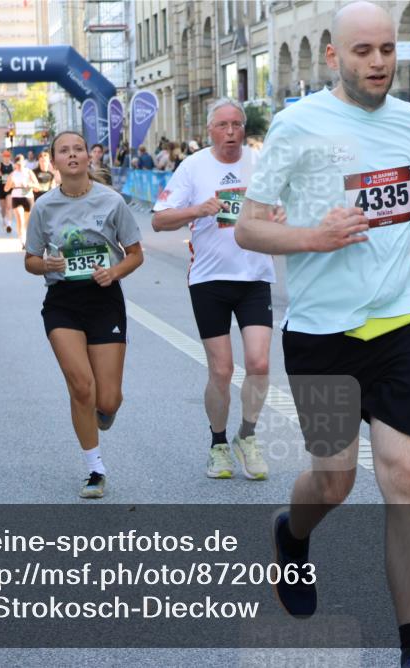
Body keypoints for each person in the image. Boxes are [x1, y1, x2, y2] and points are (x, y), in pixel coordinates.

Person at [235, 3, 410, 666]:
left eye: (388, 49)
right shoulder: (296, 124)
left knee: (407, 474)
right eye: (363, 51)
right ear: (333, 57)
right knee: (334, 481)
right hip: (321, 333)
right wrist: (313, 236)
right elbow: (248, 227)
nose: (379, 62)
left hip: (404, 323)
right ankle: (293, 534)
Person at [152, 98, 275, 481]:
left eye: (237, 124)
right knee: (221, 370)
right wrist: (198, 210)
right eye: (223, 125)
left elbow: (280, 207)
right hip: (209, 280)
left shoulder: (260, 162)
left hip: (255, 276)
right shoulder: (193, 167)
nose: (231, 132)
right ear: (210, 130)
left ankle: (247, 436)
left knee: (258, 364)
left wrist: (280, 215)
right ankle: (218, 444)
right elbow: (159, 221)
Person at [24, 130, 144, 498]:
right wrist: (46, 264)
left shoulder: (112, 201)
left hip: (104, 299)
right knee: (81, 387)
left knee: (108, 400)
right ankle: (95, 469)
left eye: (78, 149)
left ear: (88, 158)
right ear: (54, 161)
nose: (72, 155)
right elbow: (29, 260)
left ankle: (99, 416)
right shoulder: (44, 206)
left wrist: (115, 271)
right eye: (64, 150)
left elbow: (136, 253)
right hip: (63, 302)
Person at [5, 154, 40, 247]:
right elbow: (6, 189)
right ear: (15, 164)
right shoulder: (12, 174)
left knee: (26, 221)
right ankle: (23, 240)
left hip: (27, 196)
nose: (19, 164)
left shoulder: (29, 172)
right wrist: (10, 183)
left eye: (21, 162)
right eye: (17, 163)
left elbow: (37, 186)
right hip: (16, 197)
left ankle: (26, 236)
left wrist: (29, 185)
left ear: (24, 162)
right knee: (20, 218)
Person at [0, 150, 15, 233]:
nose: (6, 158)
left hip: (9, 188)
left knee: (9, 206)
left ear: (10, 157)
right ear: (3, 157)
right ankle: (4, 219)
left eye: (8, 156)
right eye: (5, 156)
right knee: (3, 207)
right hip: (0, 187)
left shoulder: (12, 165)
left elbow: (16, 174)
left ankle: (9, 224)